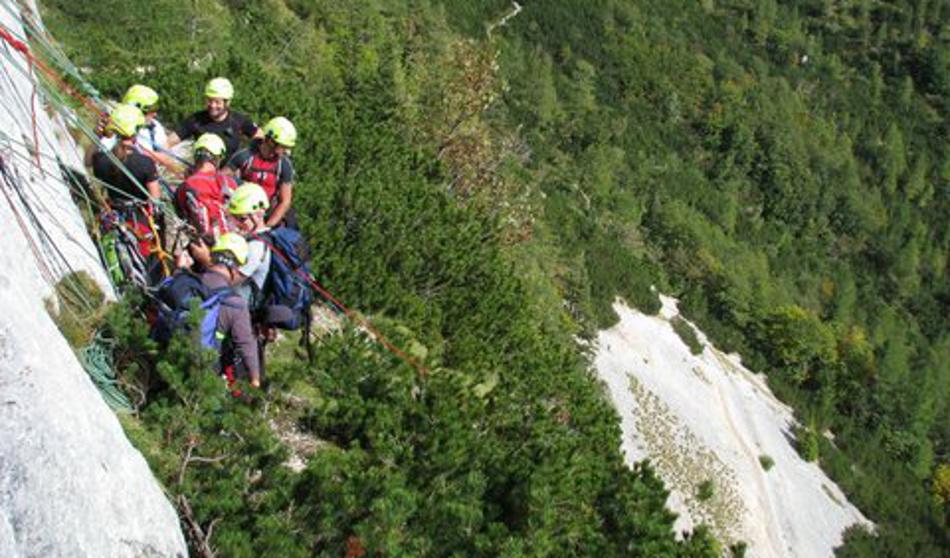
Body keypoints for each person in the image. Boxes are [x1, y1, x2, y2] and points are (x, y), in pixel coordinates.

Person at [203, 233, 262, 388]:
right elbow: (245, 344)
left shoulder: (187, 282)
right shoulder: (235, 304)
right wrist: (254, 378)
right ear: (236, 268)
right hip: (205, 367)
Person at [225, 116, 297, 228]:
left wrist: (267, 226)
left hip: (267, 215)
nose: (284, 151)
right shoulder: (245, 156)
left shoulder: (284, 165)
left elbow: (285, 201)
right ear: (270, 141)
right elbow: (221, 178)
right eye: (282, 146)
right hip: (242, 213)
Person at [166, 77, 262, 160]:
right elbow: (168, 143)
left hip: (229, 177)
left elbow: (261, 138)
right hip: (202, 175)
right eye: (209, 100)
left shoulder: (238, 121)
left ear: (227, 103)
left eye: (217, 102)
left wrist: (245, 159)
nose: (212, 105)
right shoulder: (196, 120)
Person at [88, 103, 162, 205]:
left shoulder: (102, 160)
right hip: (139, 217)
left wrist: (98, 137)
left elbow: (87, 161)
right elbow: (155, 199)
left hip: (112, 213)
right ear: (136, 130)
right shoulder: (146, 163)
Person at [176, 133, 236, 241]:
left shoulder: (186, 185)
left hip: (203, 240)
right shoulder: (230, 183)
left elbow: (181, 211)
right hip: (232, 240)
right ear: (219, 157)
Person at [226, 182, 272, 306]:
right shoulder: (257, 238)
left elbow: (229, 281)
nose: (237, 224)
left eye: (242, 219)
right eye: (235, 218)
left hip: (241, 307)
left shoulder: (256, 246)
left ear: (259, 215)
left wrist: (204, 259)